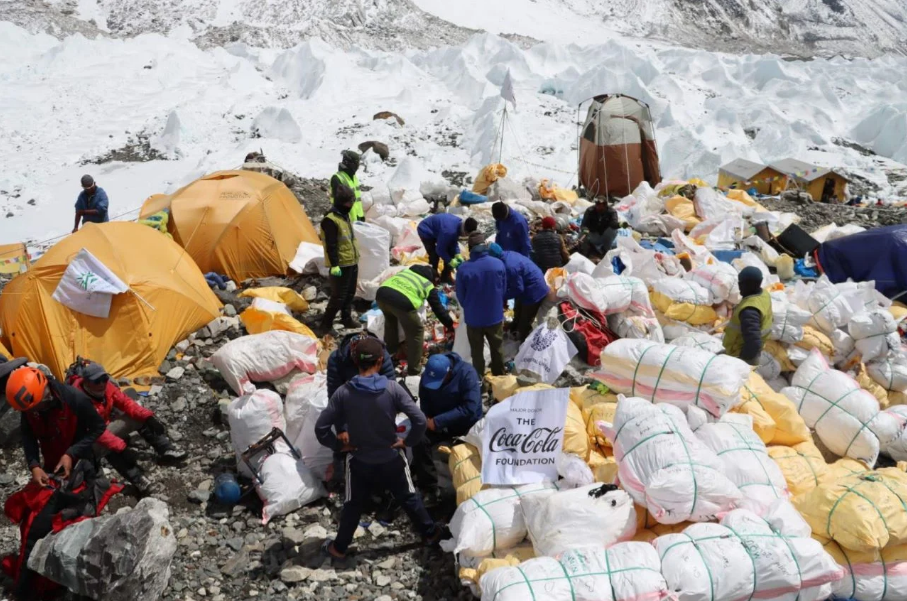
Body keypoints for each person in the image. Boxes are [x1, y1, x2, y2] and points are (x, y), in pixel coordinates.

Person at [314, 337, 440, 562]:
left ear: (354, 360)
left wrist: (340, 446)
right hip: (391, 455)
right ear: (381, 361)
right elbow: (419, 420)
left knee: (353, 504)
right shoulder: (392, 389)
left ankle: (339, 547)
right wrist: (408, 441)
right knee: (408, 496)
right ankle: (430, 534)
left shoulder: (344, 392)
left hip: (359, 458)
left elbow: (321, 428)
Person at [5, 366, 107, 597]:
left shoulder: (74, 398)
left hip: (80, 466)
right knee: (35, 521)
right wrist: (34, 465)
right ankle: (35, 578)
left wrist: (71, 453)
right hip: (52, 466)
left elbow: (98, 427)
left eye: (38, 406)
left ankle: (37, 584)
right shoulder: (30, 404)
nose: (36, 411)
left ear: (46, 392)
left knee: (55, 522)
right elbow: (28, 434)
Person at [68, 361, 185, 492]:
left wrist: (148, 417)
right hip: (86, 442)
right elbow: (97, 433)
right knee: (109, 445)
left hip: (103, 427)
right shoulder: (77, 400)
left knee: (136, 415)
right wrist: (121, 447)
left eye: (104, 378)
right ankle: (138, 480)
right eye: (97, 381)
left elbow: (126, 403)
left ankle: (165, 449)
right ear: (87, 382)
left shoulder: (107, 387)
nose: (102, 384)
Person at [411, 352, 482, 503]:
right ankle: (429, 488)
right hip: (440, 424)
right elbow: (425, 402)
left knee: (470, 461)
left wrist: (437, 421)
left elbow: (470, 407)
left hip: (466, 426)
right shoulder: (427, 377)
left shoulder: (467, 374)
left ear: (449, 373)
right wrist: (427, 419)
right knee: (418, 438)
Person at [376, 265, 455, 375]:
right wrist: (450, 325)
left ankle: (390, 353)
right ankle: (414, 369)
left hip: (381, 295)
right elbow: (438, 309)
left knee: (391, 323)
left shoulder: (407, 272)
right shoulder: (427, 284)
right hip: (401, 302)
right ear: (434, 279)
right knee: (416, 331)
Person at [456, 232, 507, 377]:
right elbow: (503, 290)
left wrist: (471, 306)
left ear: (470, 247)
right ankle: (500, 378)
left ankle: (479, 381)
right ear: (485, 245)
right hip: (494, 316)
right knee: (497, 348)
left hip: (474, 318)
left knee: (476, 352)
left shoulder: (464, 268)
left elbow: (461, 296)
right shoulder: (498, 264)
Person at [318, 184, 360, 335]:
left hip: (352, 261)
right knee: (338, 296)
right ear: (342, 202)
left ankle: (346, 318)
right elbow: (331, 244)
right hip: (341, 264)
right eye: (350, 202)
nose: (352, 205)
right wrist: (334, 264)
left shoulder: (344, 215)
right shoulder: (330, 220)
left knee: (350, 293)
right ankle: (325, 324)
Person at [490, 245, 551, 342]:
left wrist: (502, 296)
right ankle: (512, 330)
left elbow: (518, 289)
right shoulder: (507, 254)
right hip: (529, 286)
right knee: (517, 311)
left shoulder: (510, 266)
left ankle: (521, 347)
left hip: (534, 290)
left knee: (524, 320)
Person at [723, 266, 773, 365]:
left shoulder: (749, 311)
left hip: (741, 355)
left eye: (741, 283)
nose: (739, 286)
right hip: (745, 352)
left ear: (749, 285)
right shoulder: (763, 294)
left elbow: (753, 342)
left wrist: (742, 361)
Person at [416, 214, 478, 284]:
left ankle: (445, 277)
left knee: (451, 253)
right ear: (465, 231)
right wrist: (450, 261)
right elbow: (440, 250)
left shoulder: (458, 225)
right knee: (434, 256)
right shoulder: (449, 231)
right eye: (467, 235)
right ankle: (432, 277)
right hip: (426, 230)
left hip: (439, 230)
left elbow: (453, 242)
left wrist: (457, 254)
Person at [331, 150, 365, 222]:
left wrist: (361, 217)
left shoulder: (354, 178)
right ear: (350, 163)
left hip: (357, 219)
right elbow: (338, 204)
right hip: (346, 220)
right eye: (356, 163)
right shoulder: (337, 178)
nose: (358, 166)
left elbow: (357, 201)